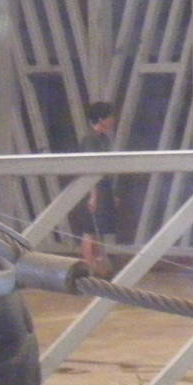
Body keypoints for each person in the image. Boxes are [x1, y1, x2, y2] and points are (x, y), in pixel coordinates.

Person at [74, 101, 117, 277]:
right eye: (110, 116)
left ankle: (98, 266)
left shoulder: (103, 139)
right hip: (93, 189)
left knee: (97, 229)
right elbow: (90, 168)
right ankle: (89, 267)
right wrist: (93, 195)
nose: (113, 120)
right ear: (101, 119)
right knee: (90, 230)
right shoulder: (90, 140)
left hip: (102, 188)